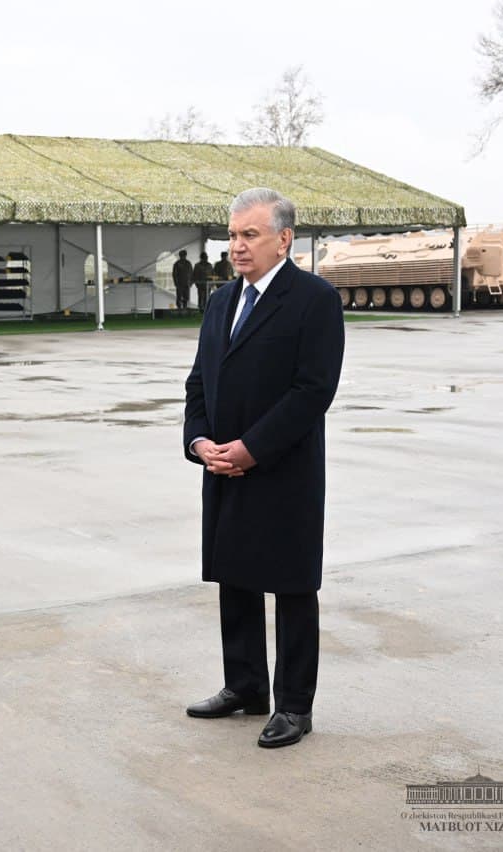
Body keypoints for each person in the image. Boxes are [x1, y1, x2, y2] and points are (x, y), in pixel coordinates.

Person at [181, 187, 344, 749]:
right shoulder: (222, 301)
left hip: (283, 468)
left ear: (284, 239)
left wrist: (252, 448)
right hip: (222, 464)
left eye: (249, 235)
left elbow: (313, 390)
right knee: (235, 576)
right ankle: (245, 686)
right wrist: (200, 440)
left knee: (292, 586)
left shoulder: (314, 300)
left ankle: (294, 705)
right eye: (232, 235)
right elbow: (199, 381)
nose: (237, 246)